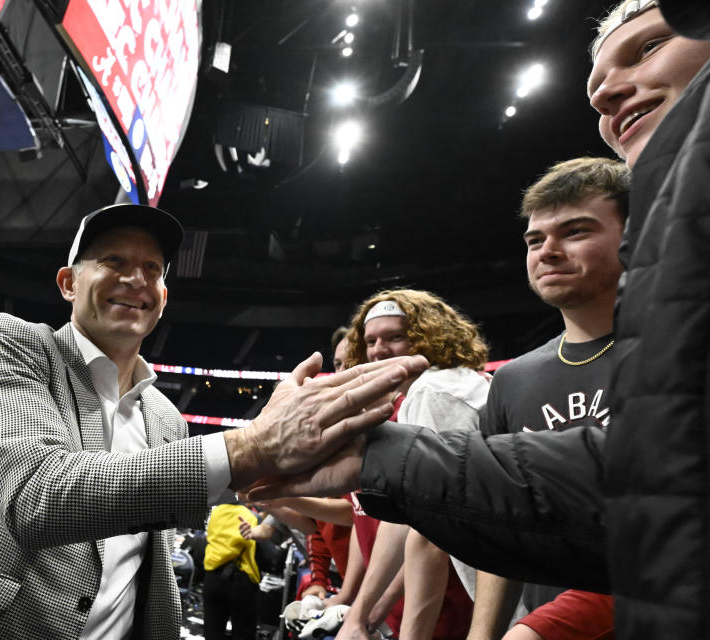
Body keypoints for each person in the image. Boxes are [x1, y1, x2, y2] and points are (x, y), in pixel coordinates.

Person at [250, 2, 710, 637]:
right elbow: (602, 496)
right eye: (533, 239)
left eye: (646, 49)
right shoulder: (522, 378)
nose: (604, 91)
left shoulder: (454, 388)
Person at [0, 203, 423, 640]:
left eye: (153, 270)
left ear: (163, 296)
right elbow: (36, 496)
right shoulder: (10, 344)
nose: (136, 278)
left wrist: (293, 483)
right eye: (114, 261)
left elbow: (146, 571)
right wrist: (250, 447)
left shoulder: (163, 414)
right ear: (68, 282)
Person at [463, 157, 628, 640]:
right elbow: (502, 532)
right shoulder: (512, 381)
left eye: (575, 231)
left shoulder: (681, 354)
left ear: (636, 236)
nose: (547, 251)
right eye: (535, 240)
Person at [337, 290, 487, 640]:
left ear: (428, 336)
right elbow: (404, 517)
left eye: (395, 337)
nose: (378, 351)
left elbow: (429, 530)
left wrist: (364, 617)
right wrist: (363, 613)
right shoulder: (437, 387)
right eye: (371, 340)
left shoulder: (432, 391)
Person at [203, 502, 261, 640]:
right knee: (243, 633)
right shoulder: (251, 516)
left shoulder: (216, 512)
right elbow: (265, 553)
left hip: (213, 576)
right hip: (241, 580)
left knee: (212, 632)